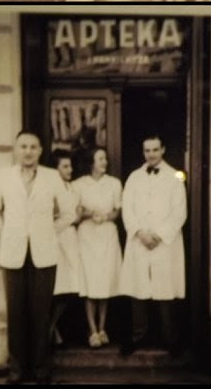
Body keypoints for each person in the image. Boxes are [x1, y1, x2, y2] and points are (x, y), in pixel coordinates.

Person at [0, 130, 72, 384]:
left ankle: (42, 371)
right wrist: (10, 231)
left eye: (33, 146)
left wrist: (46, 232)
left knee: (41, 314)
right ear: (16, 149)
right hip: (13, 255)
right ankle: (17, 371)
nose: (28, 151)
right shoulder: (3, 177)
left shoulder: (52, 177)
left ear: (40, 150)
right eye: (23, 146)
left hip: (45, 255)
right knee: (16, 313)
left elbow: (68, 213)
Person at [118, 134, 186, 356]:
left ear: (163, 150)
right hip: (139, 241)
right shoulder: (134, 177)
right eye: (147, 150)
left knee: (165, 290)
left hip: (164, 243)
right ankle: (138, 336)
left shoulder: (175, 177)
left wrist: (158, 235)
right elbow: (127, 208)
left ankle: (171, 339)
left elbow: (179, 212)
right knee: (139, 289)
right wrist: (139, 232)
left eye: (155, 150)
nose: (151, 155)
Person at [74, 147, 123, 348]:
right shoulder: (78, 185)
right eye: (100, 158)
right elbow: (75, 213)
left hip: (107, 235)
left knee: (105, 282)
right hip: (87, 237)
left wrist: (105, 216)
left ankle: (102, 328)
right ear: (91, 162)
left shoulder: (114, 183)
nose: (105, 162)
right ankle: (91, 329)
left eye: (105, 158)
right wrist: (87, 214)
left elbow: (117, 211)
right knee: (89, 283)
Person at [48, 149, 82, 349]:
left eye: (70, 166)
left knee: (71, 289)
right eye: (65, 166)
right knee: (58, 290)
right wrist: (72, 217)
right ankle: (51, 331)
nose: (70, 169)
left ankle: (55, 330)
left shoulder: (71, 187)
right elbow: (51, 220)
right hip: (57, 242)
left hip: (72, 241)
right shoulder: (51, 190)